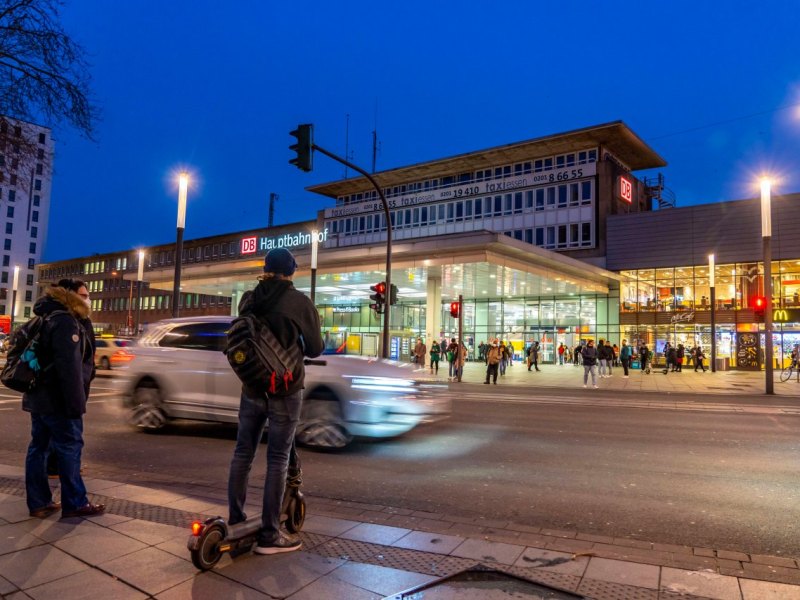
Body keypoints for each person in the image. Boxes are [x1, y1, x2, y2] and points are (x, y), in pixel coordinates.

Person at [227, 248, 324, 555]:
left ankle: (235, 519)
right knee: (278, 459)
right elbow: (316, 349)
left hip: (252, 387)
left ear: (266, 269)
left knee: (243, 452)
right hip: (285, 388)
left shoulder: (249, 298)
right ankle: (270, 533)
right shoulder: (299, 303)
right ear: (292, 272)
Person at [23, 279, 104, 519]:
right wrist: (75, 405)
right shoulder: (65, 321)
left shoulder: (44, 317)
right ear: (68, 295)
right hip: (59, 399)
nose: (87, 299)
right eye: (82, 294)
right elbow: (69, 369)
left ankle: (39, 502)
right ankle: (75, 502)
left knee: (38, 448)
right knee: (70, 447)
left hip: (39, 396)